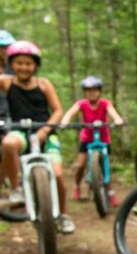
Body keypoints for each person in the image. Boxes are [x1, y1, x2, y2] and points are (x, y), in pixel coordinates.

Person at [0, 41, 73, 233]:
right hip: (20, 132)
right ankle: (16, 190)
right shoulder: (7, 82)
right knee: (8, 143)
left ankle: (63, 215)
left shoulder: (44, 84)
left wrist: (44, 131)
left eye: (28, 63)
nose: (24, 67)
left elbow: (57, 111)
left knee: (57, 175)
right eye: (19, 63)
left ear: (35, 65)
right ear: (11, 64)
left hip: (46, 133)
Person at [61, 76, 124, 205]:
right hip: (87, 139)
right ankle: (77, 185)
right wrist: (65, 121)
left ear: (99, 91)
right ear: (85, 92)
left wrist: (118, 120)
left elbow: (113, 113)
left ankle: (110, 192)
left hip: (103, 139)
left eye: (95, 90)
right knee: (81, 164)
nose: (92, 93)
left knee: (105, 164)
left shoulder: (105, 103)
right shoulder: (82, 104)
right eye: (88, 90)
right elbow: (70, 113)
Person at [0, 30, 15, 123]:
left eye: (8, 47)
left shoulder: (14, 67)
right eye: (3, 47)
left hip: (11, 114)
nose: (6, 50)